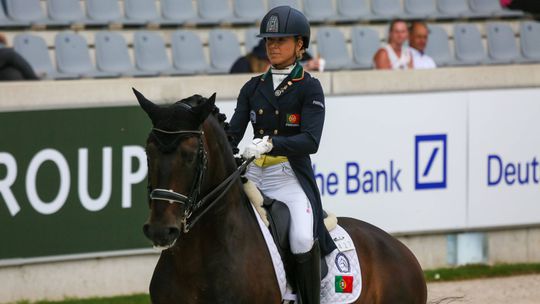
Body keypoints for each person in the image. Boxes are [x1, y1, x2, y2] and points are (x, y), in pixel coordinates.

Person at [227, 5, 336, 304]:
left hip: (288, 177)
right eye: (269, 41)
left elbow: (310, 140)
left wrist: (272, 143)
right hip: (253, 175)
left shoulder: (309, 88)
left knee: (302, 238)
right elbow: (233, 135)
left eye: (281, 40)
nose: (272, 46)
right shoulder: (252, 87)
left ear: (300, 44)